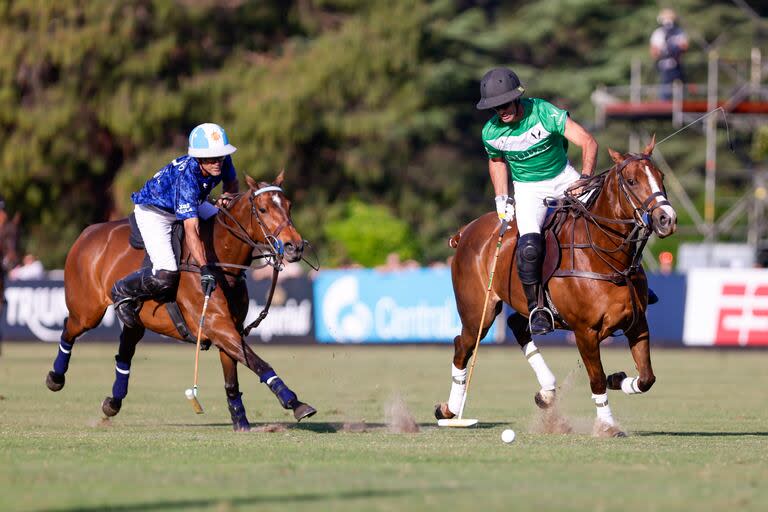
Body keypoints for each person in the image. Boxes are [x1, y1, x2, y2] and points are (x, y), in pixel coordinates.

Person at [477, 67, 598, 335]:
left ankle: (636, 282)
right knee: (529, 247)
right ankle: (537, 309)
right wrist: (501, 197)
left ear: (517, 98)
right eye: (495, 107)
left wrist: (586, 178)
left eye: (505, 104)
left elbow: (588, 142)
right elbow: (496, 162)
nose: (502, 111)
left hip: (564, 177)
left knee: (607, 221)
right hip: (529, 189)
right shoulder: (491, 132)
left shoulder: (543, 112)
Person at [111, 123, 240, 328]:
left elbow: (232, 184)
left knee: (229, 225)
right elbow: (192, 229)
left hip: (192, 202)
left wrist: (227, 197)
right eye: (212, 157)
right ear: (198, 158)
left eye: (221, 155)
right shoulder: (187, 178)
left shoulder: (222, 161)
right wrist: (205, 268)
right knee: (166, 273)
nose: (218, 162)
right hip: (156, 212)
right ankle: (122, 290)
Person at [650, 8, 689, 100]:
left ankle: (681, 103)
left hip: (676, 64)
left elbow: (685, 46)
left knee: (680, 86)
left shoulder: (679, 32)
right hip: (664, 65)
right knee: (665, 87)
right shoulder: (658, 33)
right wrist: (662, 51)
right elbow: (653, 52)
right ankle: (664, 104)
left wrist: (677, 49)